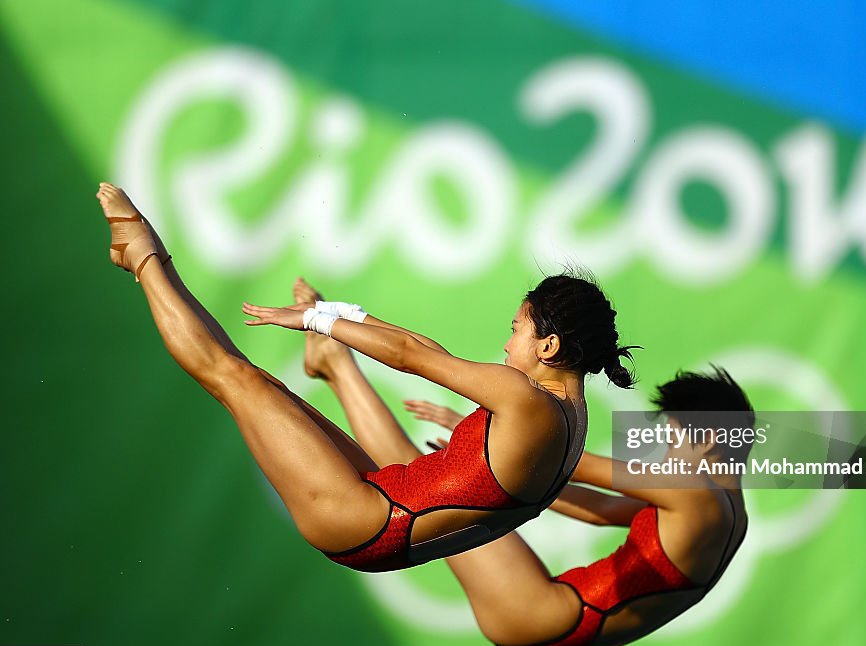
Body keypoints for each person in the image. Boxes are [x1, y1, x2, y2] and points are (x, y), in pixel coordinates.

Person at [95, 182, 636, 572]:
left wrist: (312, 318)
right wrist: (345, 314)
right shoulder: (573, 414)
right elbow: (428, 349)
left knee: (232, 376)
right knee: (264, 389)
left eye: (515, 329)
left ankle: (141, 252)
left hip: (364, 519)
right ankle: (326, 361)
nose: (505, 342)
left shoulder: (525, 398)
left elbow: (409, 356)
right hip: (381, 520)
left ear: (549, 345)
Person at [296, 276, 750, 646]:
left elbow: (578, 463)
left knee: (413, 473)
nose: (664, 450)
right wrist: (521, 474)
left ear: (710, 439)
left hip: (537, 612)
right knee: (423, 477)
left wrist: (507, 440)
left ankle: (336, 364)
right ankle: (335, 366)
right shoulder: (727, 512)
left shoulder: (695, 494)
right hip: (550, 623)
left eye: (671, 437)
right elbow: (597, 509)